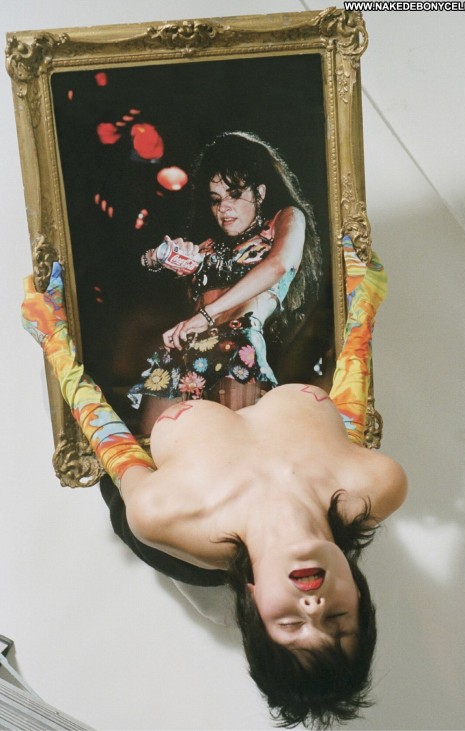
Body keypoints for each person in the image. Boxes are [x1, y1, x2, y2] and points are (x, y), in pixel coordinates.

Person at [21, 237, 407, 729]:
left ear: (253, 604)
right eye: (336, 619)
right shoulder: (376, 484)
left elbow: (109, 438)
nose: (313, 605)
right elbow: (344, 412)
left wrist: (53, 338)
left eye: (291, 622)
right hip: (236, 354)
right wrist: (364, 298)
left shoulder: (167, 513)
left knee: (141, 525)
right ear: (359, 596)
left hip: (177, 510)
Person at [128, 131, 322, 428]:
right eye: (216, 200)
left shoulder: (284, 220)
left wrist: (206, 315)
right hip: (181, 354)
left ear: (260, 193)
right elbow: (141, 267)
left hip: (236, 349)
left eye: (234, 194)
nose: (223, 208)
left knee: (234, 449)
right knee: (157, 446)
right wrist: (157, 256)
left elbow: (278, 265)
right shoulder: (208, 246)